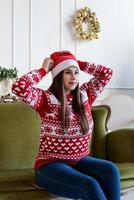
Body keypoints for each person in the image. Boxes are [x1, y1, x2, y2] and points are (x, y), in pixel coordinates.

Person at [12, 51, 121, 200]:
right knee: (90, 184)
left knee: (111, 170)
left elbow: (106, 73)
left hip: (79, 161)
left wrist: (77, 62)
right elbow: (19, 87)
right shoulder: (45, 99)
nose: (74, 76)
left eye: (76, 72)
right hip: (50, 165)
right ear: (57, 76)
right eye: (67, 72)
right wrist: (43, 70)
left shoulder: (85, 95)